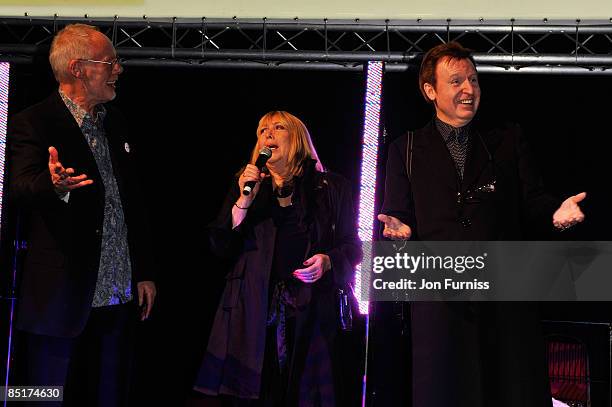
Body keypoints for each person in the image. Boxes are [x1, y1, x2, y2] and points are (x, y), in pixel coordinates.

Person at [376, 42, 586, 407]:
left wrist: (557, 215)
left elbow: (534, 201)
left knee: (509, 390)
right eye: (456, 81)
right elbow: (398, 217)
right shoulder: (404, 149)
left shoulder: (506, 140)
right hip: (441, 305)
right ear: (430, 91)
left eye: (473, 79)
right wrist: (400, 236)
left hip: (505, 305)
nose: (468, 90)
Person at [8, 24, 156, 406]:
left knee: (109, 395)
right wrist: (53, 184)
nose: (118, 69)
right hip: (60, 294)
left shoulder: (115, 121)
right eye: (110, 62)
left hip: (117, 291)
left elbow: (131, 203)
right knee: (39, 396)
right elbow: (20, 187)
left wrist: (143, 271)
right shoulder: (32, 121)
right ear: (79, 68)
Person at [194, 111, 361, 406]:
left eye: (278, 127)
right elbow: (220, 246)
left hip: (311, 311)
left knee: (309, 394)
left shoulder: (333, 187)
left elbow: (353, 247)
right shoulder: (244, 185)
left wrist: (328, 260)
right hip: (253, 310)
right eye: (261, 131)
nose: (267, 135)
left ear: (298, 140)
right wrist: (244, 200)